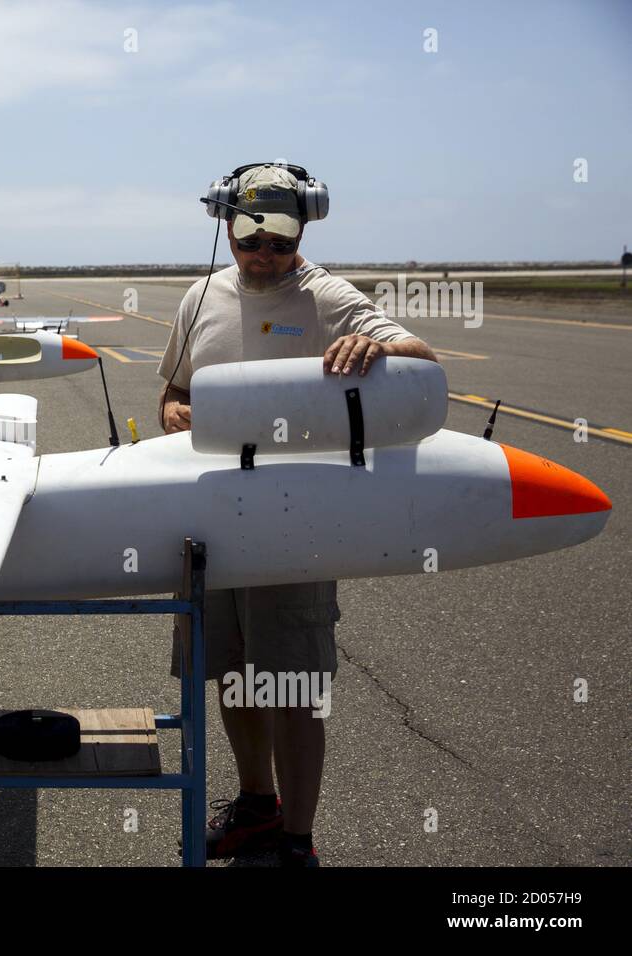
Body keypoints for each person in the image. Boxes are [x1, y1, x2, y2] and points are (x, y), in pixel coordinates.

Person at [156, 163, 438, 867]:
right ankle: (257, 807)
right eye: (249, 234)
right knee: (231, 674)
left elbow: (421, 355)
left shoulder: (326, 295)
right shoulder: (200, 297)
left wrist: (377, 344)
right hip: (213, 516)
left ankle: (295, 843)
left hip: (294, 526)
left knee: (291, 685)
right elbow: (174, 390)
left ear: (304, 227)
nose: (263, 251)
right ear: (226, 224)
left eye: (279, 236)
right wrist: (173, 410)